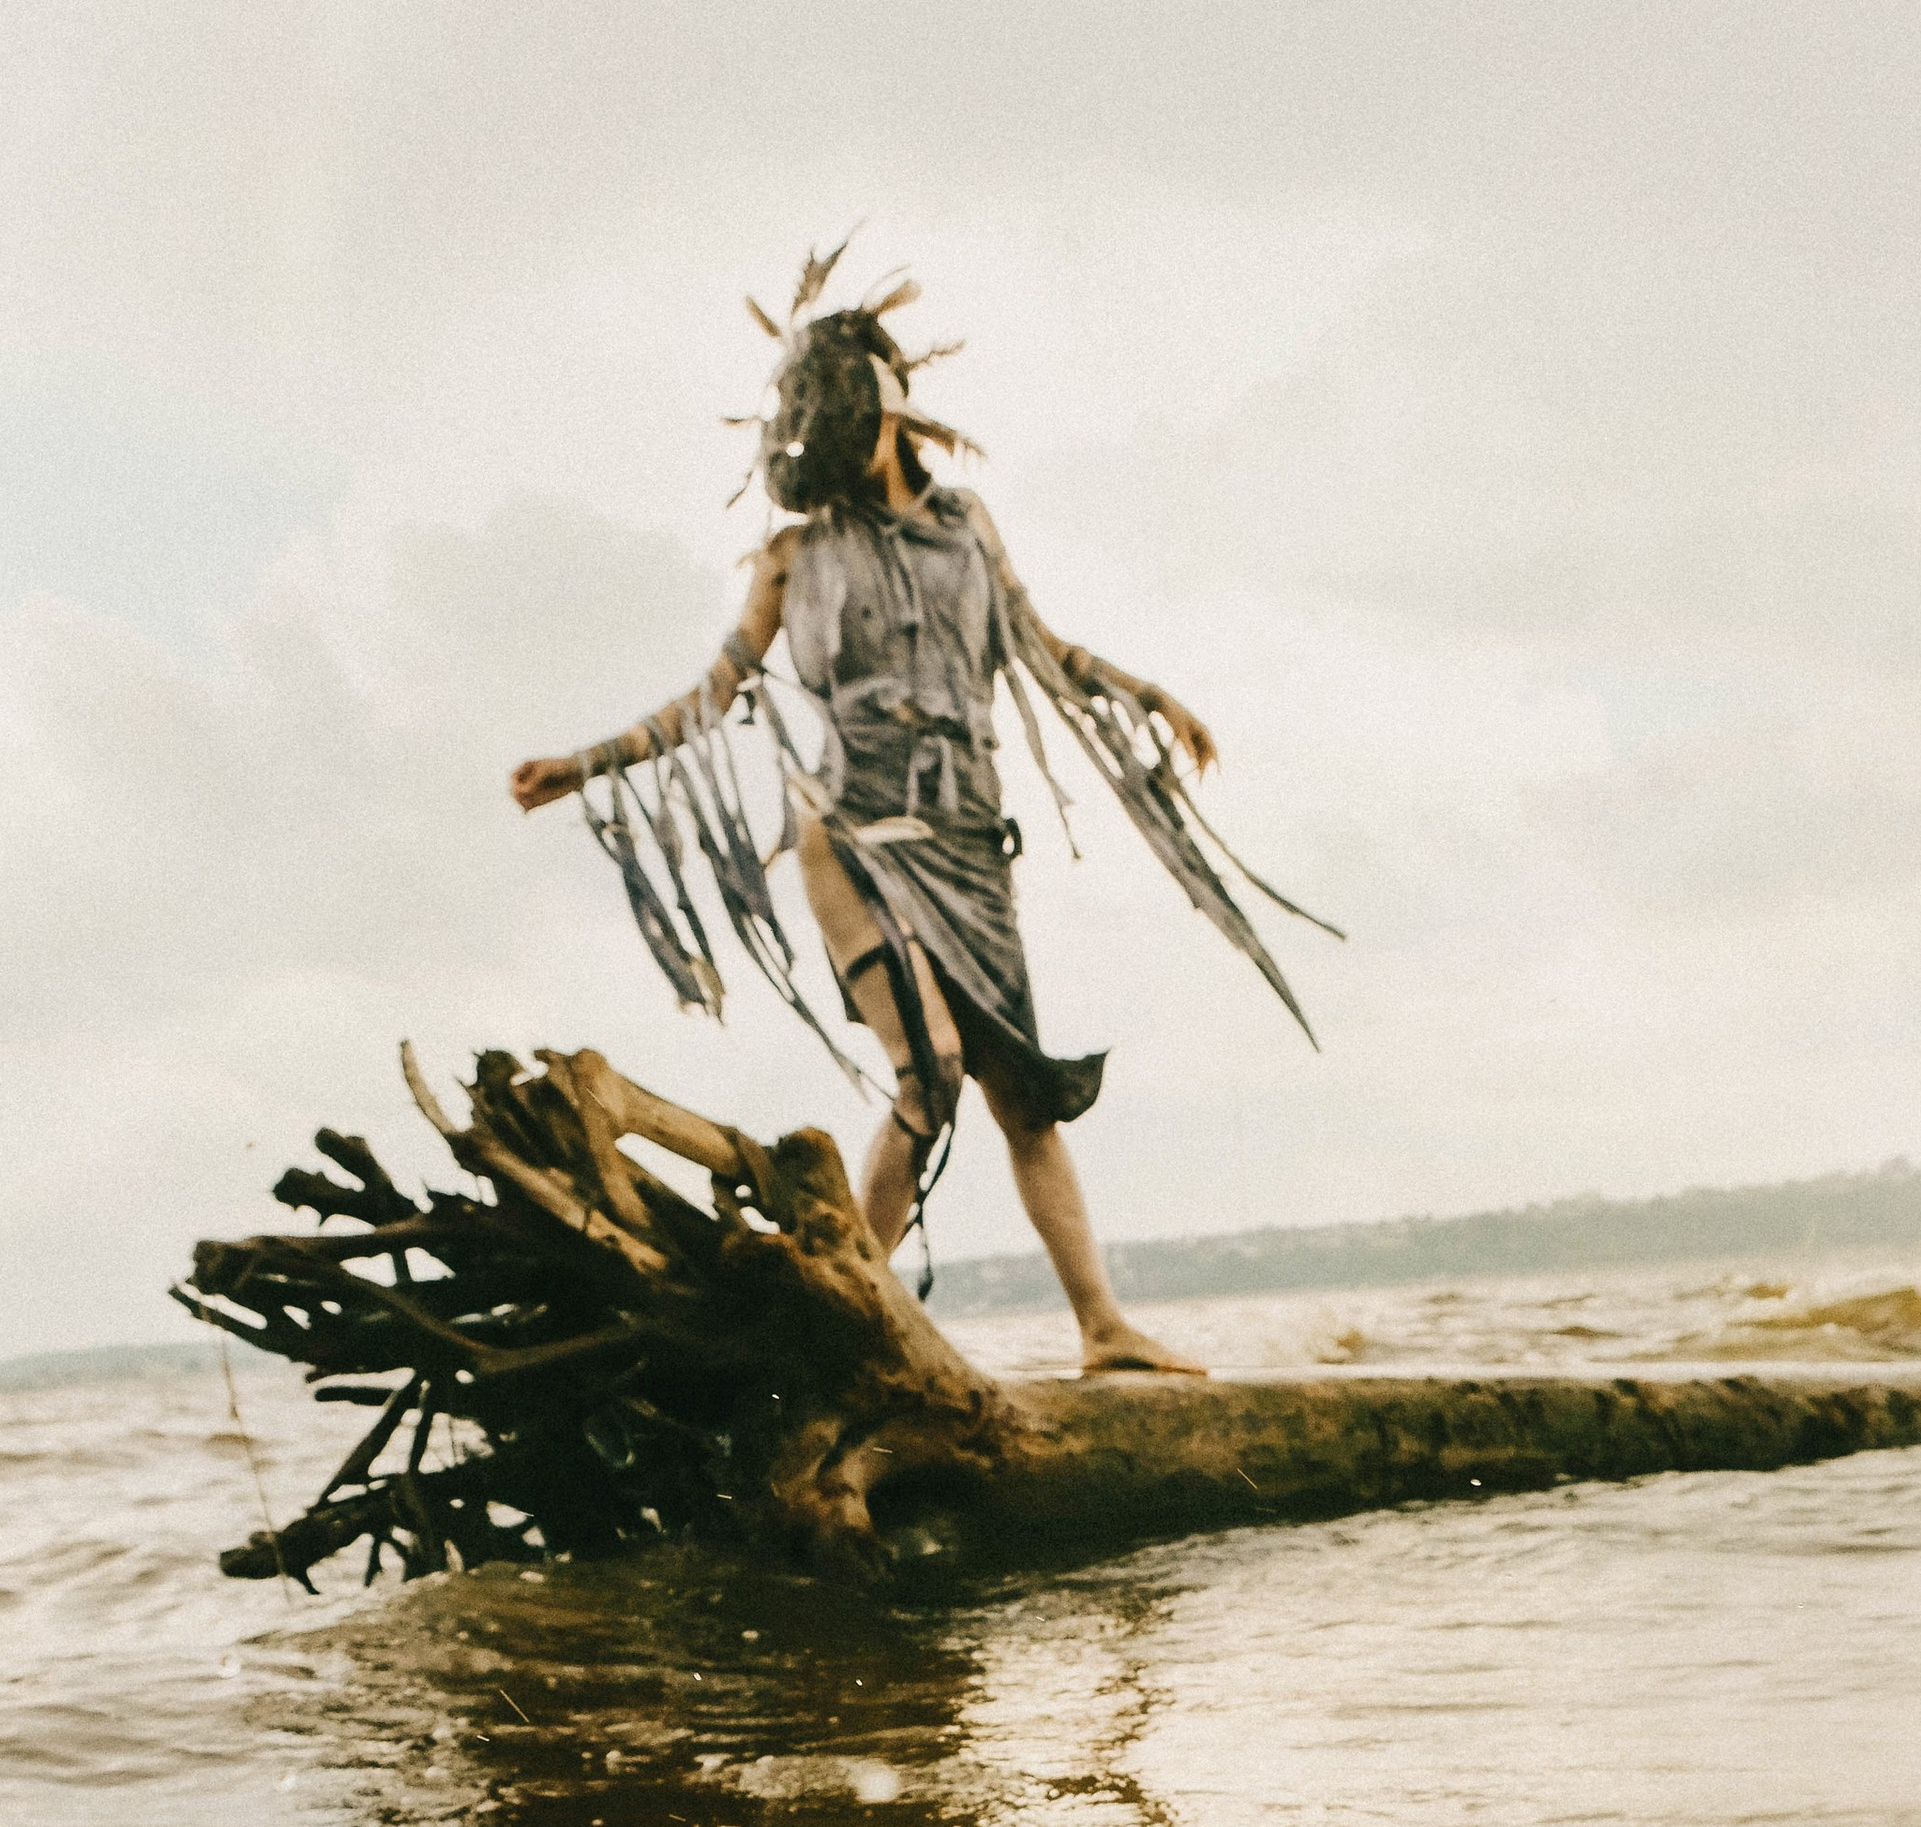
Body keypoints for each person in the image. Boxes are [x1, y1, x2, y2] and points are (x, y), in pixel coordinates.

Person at [509, 258, 1332, 1376]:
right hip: (852, 839)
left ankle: (1101, 1327)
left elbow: (1038, 646)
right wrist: (586, 763)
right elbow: (715, 693)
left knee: (1021, 1102)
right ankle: (847, 1322)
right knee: (928, 1076)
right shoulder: (794, 554)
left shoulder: (967, 526)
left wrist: (1149, 696)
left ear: (886, 403)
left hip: (970, 848)